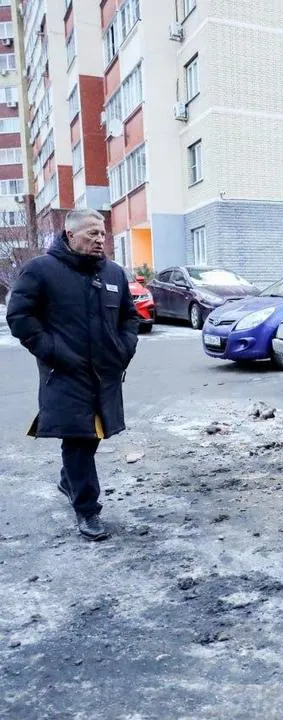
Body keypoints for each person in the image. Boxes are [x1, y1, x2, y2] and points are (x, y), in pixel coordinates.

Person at [5, 208, 139, 541]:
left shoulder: (113, 274)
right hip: (64, 374)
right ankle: (87, 510)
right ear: (70, 235)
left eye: (103, 233)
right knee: (78, 441)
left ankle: (69, 480)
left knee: (91, 436)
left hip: (104, 374)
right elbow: (20, 316)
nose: (100, 239)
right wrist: (53, 352)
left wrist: (123, 349)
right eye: (92, 233)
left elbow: (129, 318)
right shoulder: (41, 271)